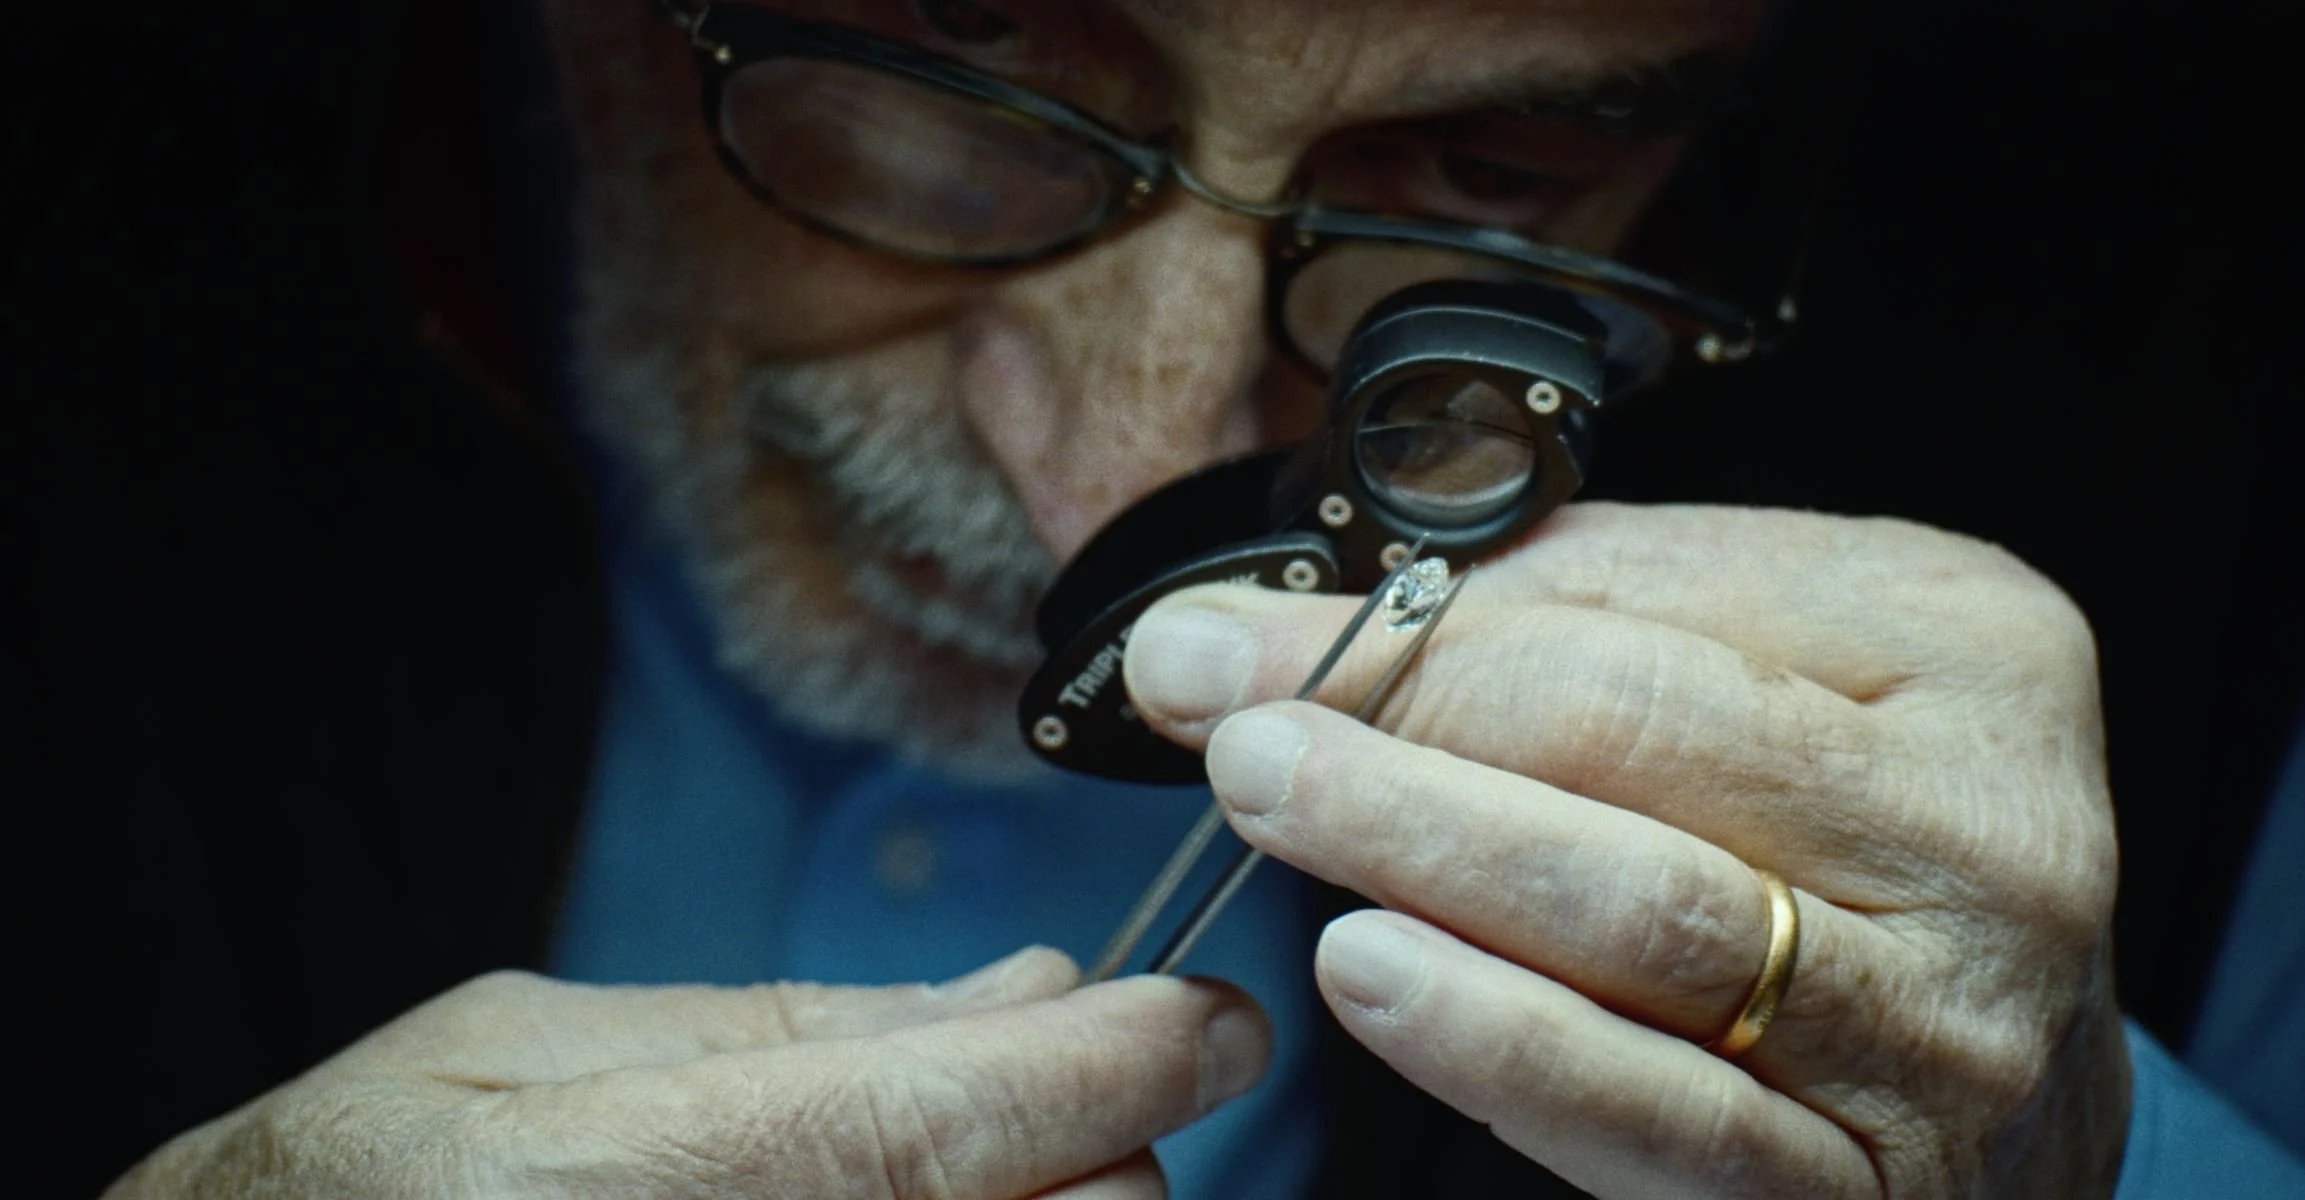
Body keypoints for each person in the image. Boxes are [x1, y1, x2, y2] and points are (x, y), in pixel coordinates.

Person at [7, 0, 2295, 1196]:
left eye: (1497, 168)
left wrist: (2091, 1170)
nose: (1130, 461)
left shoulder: (2199, 518)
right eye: (962, 48)